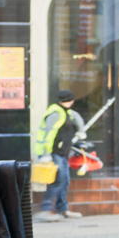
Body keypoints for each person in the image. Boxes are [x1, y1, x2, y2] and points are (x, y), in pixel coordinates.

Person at [34, 91, 84, 221]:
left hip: (62, 153)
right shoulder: (56, 114)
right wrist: (46, 154)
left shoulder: (67, 113)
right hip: (54, 153)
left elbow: (77, 119)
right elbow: (49, 135)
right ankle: (45, 210)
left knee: (64, 181)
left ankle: (63, 210)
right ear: (72, 100)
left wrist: (80, 132)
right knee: (57, 181)